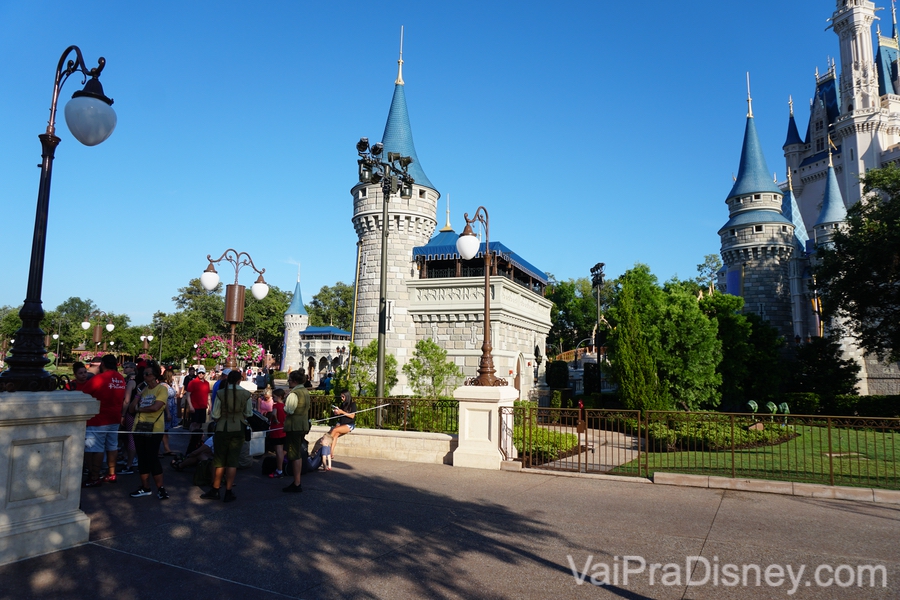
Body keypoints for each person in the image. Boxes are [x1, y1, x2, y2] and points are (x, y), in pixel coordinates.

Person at [200, 370, 252, 502]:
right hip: (238, 427)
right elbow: (248, 413)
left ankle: (215, 489)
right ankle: (229, 491)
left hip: (223, 427)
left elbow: (215, 414)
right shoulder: (246, 394)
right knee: (233, 461)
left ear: (227, 379)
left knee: (219, 460)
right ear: (239, 380)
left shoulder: (221, 393)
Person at [80, 354, 127, 486]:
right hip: (114, 417)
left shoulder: (99, 378)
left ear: (103, 364)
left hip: (98, 419)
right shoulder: (120, 379)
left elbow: (83, 394)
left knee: (95, 448)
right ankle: (111, 474)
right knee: (112, 445)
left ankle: (94, 476)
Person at [130, 363, 170, 500]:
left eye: (148, 374)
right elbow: (131, 409)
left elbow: (156, 407)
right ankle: (145, 487)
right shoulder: (142, 389)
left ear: (155, 376)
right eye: (144, 374)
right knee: (142, 458)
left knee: (152, 458)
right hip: (139, 427)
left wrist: (139, 409)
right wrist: (137, 396)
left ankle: (161, 488)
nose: (145, 376)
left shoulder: (161, 389)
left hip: (155, 428)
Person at [282, 371, 310, 493]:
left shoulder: (294, 393)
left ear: (294, 381)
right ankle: (297, 482)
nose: (288, 381)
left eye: (290, 379)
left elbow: (288, 410)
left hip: (294, 426)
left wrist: (284, 401)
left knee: (294, 454)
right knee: (297, 452)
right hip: (303, 425)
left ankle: (297, 482)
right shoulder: (305, 391)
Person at [185, 365, 211, 454]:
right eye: (199, 373)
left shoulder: (206, 383)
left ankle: (197, 439)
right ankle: (192, 438)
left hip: (203, 406)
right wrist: (191, 406)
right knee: (194, 423)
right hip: (195, 406)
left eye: (202, 373)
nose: (201, 374)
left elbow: (208, 395)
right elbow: (188, 395)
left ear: (204, 374)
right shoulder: (193, 382)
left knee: (199, 423)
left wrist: (210, 405)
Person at [328, 390, 357, 462]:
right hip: (341, 423)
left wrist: (342, 412)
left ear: (347, 396)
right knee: (335, 434)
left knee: (334, 430)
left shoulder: (353, 404)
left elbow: (352, 416)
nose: (342, 398)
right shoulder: (343, 404)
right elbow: (341, 415)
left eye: (343, 396)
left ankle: (325, 446)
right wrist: (337, 412)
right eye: (341, 396)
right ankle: (331, 453)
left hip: (349, 425)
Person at [267, 389, 287, 478]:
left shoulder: (276, 406)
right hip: (283, 430)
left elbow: (274, 414)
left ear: (279, 397)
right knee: (282, 451)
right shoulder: (285, 406)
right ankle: (281, 468)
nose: (273, 398)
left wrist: (275, 419)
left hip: (276, 430)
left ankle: (279, 470)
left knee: (278, 451)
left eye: (274, 396)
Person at [160, 370, 178, 456]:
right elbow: (165, 399)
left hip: (171, 408)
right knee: (162, 430)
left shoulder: (169, 385)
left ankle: (167, 449)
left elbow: (177, 393)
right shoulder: (164, 386)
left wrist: (175, 383)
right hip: (166, 410)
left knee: (165, 430)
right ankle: (161, 449)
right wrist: (168, 413)